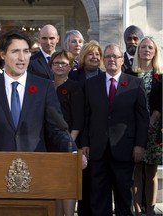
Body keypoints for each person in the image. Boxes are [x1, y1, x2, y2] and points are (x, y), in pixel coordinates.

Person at [0, 29, 79, 154]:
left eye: (26, 51)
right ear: (3, 55)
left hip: (35, 163)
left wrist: (73, 151)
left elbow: (57, 128)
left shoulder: (44, 87)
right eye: (15, 51)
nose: (22, 57)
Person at [81, 43, 149, 216]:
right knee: (98, 199)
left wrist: (140, 145)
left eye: (115, 57)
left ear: (122, 60)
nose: (111, 59)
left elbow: (142, 119)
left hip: (125, 150)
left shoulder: (135, 83)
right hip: (98, 150)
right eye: (108, 56)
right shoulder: (91, 84)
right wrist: (85, 144)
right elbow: (86, 117)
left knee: (124, 199)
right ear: (104, 60)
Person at [69, 39, 104, 216]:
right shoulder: (74, 77)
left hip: (99, 137)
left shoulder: (104, 77)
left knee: (96, 182)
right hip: (78, 134)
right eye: (91, 53)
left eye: (98, 54)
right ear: (83, 56)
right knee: (81, 181)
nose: (95, 57)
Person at [51, 50, 84, 216]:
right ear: (51, 66)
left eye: (64, 63)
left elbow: (78, 119)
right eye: (56, 63)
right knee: (54, 185)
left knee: (68, 184)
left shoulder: (74, 87)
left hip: (68, 143)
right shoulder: (47, 87)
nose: (60, 66)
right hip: (49, 144)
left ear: (70, 67)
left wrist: (70, 143)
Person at [131, 36, 162, 216]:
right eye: (143, 47)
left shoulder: (160, 75)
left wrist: (153, 119)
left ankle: (150, 210)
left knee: (151, 171)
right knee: (136, 169)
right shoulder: (130, 72)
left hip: (154, 130)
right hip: (134, 129)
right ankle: (136, 209)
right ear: (138, 50)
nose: (147, 50)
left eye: (150, 47)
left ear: (155, 51)